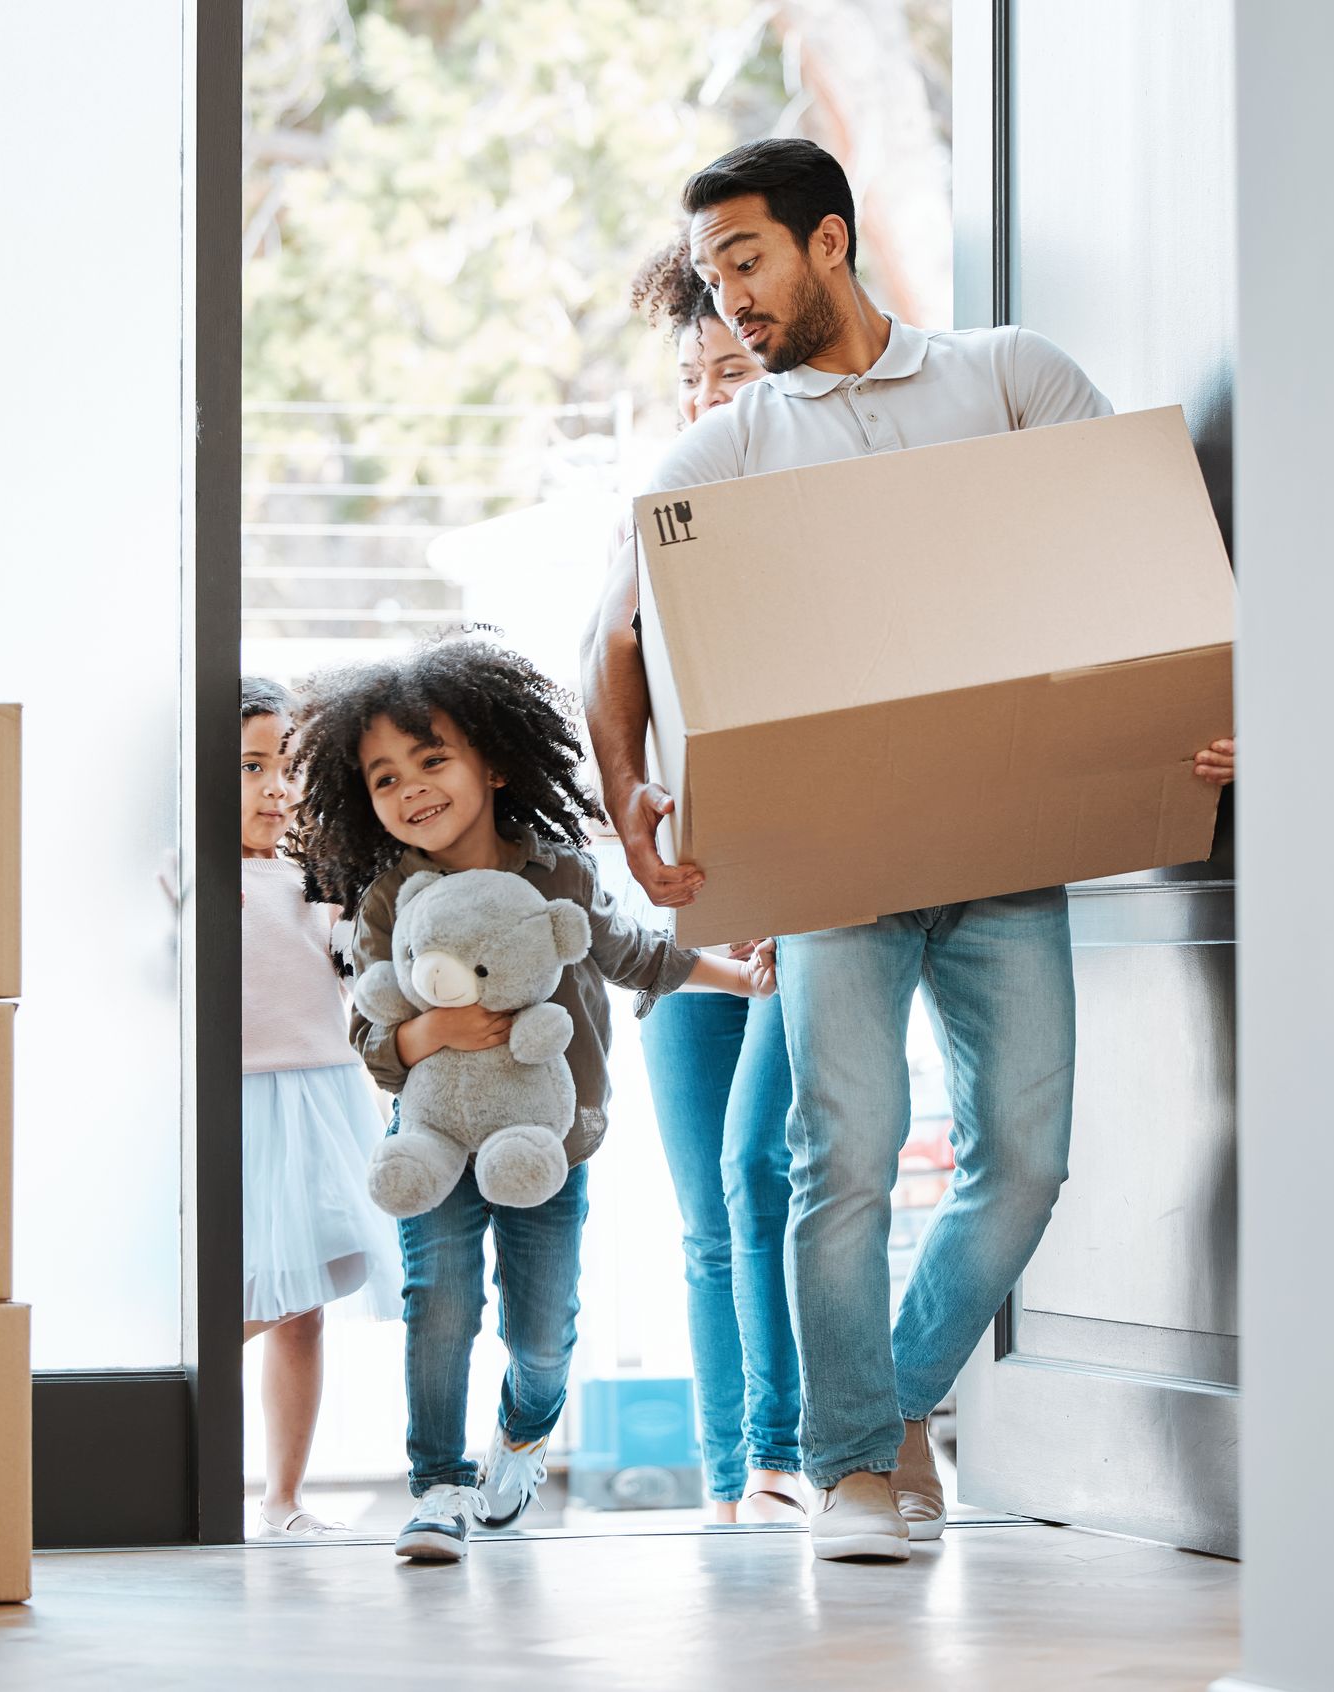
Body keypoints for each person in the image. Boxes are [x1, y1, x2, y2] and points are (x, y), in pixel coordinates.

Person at [581, 139, 1237, 1563]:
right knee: (846, 1160)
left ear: (829, 240)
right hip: (838, 871)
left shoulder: (1006, 378)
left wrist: (1206, 712)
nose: (729, 298)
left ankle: (892, 1411)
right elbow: (615, 640)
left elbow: (1144, 559)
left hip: (1007, 848)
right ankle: (847, 1472)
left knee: (1024, 1158)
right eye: (709, 276)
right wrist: (631, 800)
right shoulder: (731, 447)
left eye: (746, 260)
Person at [288, 636, 775, 1563]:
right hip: (433, 1136)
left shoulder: (558, 873)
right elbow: (371, 1032)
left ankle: (521, 1433)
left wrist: (738, 976)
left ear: (496, 764)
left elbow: (635, 954)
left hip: (547, 1141)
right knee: (439, 1305)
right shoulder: (390, 898)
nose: (412, 788)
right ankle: (436, 1486)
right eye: (385, 777)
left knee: (543, 1334)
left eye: (432, 760)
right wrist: (424, 1038)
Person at [625, 235, 805, 1525]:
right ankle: (736, 1481)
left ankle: (792, 1452)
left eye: (733, 370)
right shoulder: (651, 532)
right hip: (686, 924)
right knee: (703, 1213)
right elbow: (615, 714)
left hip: (805, 921)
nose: (711, 401)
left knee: (763, 1182)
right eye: (694, 380)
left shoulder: (822, 520)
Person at [239, 675, 402, 1540]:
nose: (275, 787)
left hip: (326, 1094)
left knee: (309, 1302)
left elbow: (356, 968)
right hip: (243, 1103)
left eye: (286, 766)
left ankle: (283, 1499)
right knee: (268, 1285)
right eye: (250, 766)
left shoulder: (313, 875)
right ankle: (169, 1370)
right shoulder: (187, 874)